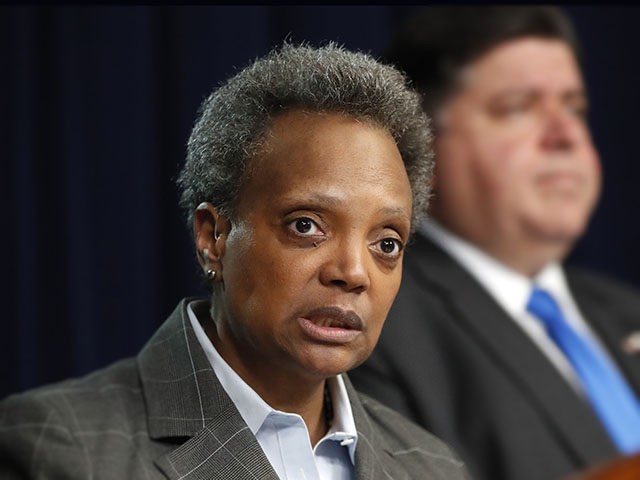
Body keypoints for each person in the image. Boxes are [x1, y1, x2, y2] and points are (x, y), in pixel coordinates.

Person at [0, 43, 470, 479]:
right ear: (213, 237)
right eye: (306, 225)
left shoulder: (432, 466)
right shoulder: (61, 447)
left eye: (386, 243)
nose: (351, 272)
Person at [349, 6, 640, 480]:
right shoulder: (374, 332)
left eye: (574, 108)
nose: (564, 135)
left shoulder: (629, 311)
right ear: (419, 147)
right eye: (518, 107)